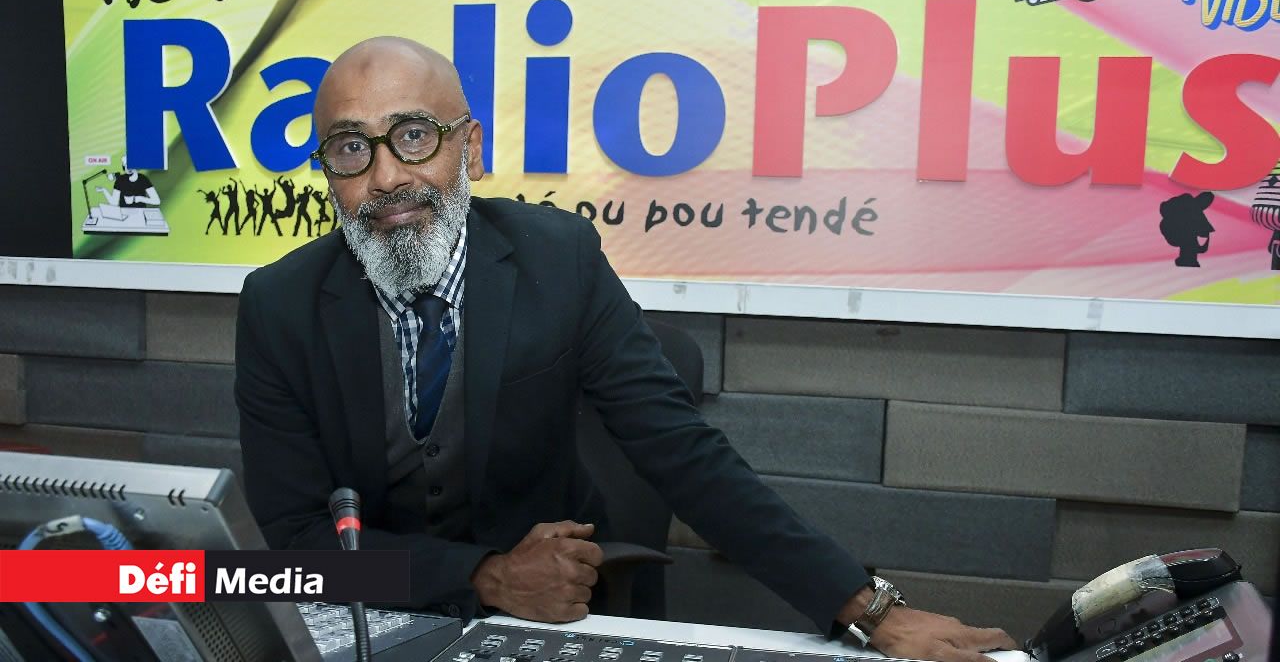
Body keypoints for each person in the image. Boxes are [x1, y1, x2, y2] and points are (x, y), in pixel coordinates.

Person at [235, 37, 1017, 662]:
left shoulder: (558, 258)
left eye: (413, 137)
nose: (385, 177)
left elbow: (685, 454)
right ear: (326, 172)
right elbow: (298, 542)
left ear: (469, 148)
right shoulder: (279, 306)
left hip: (550, 622)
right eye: (350, 149)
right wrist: (484, 575)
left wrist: (868, 610)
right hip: (377, 615)